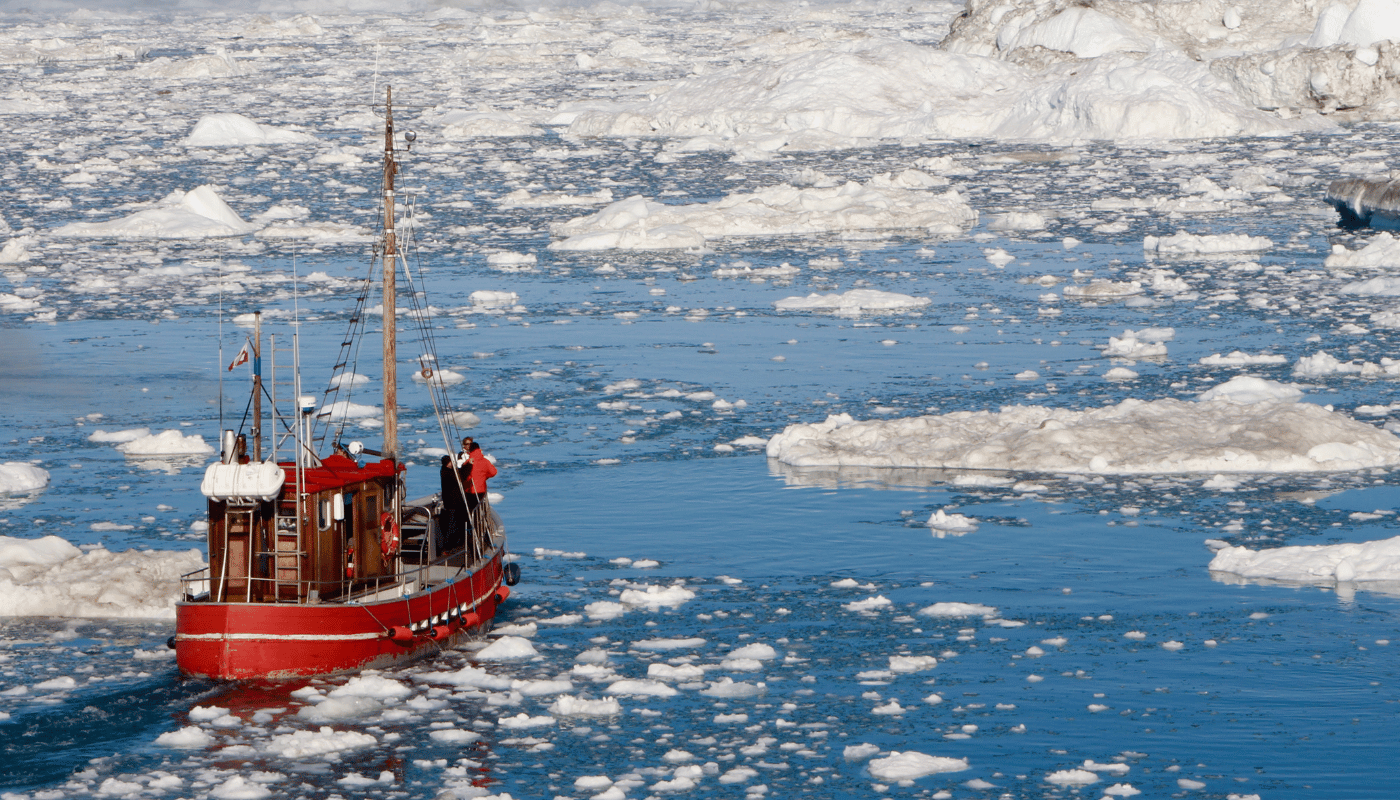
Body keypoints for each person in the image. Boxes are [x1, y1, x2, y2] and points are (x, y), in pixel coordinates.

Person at [438, 455, 468, 553]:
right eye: (450, 462)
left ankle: (456, 541)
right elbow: (460, 477)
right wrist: (468, 466)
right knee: (453, 523)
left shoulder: (445, 471)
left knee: (454, 522)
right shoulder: (448, 473)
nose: (452, 463)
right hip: (453, 502)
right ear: (447, 463)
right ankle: (449, 544)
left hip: (451, 502)